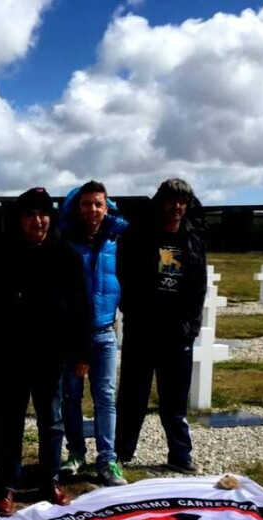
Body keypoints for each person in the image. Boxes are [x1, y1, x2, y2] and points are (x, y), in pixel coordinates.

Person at [0, 187, 89, 516]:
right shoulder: (3, 252)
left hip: (50, 354)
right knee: (9, 423)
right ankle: (7, 484)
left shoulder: (66, 254)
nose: (38, 221)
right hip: (10, 354)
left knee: (52, 421)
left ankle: (50, 480)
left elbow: (80, 305)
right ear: (20, 219)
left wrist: (82, 351)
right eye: (31, 215)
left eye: (43, 214)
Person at [115, 178, 208, 473]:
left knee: (175, 401)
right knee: (133, 397)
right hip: (143, 329)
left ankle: (180, 455)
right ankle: (122, 453)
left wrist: (191, 327)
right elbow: (124, 275)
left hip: (177, 332)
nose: (176, 207)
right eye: (171, 200)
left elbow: (199, 286)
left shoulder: (193, 239)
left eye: (182, 202)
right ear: (160, 202)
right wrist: (133, 311)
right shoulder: (140, 235)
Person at [58, 181, 131, 487]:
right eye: (86, 203)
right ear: (78, 207)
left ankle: (108, 458)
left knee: (105, 397)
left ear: (106, 207)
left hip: (104, 332)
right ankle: (76, 453)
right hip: (73, 334)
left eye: (98, 204)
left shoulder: (117, 238)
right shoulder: (66, 241)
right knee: (71, 397)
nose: (92, 210)